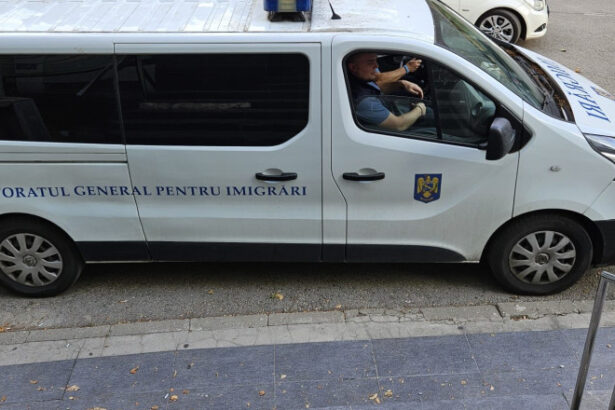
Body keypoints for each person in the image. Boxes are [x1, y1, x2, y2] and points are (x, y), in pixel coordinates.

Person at [347, 52, 427, 132]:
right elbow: (398, 125)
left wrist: (401, 84)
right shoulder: (364, 101)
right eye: (370, 62)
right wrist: (420, 109)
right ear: (353, 67)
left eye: (376, 61)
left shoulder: (358, 79)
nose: (376, 66)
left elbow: (377, 87)